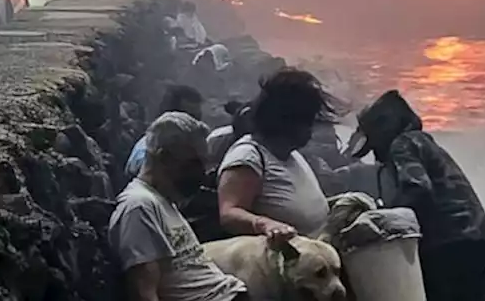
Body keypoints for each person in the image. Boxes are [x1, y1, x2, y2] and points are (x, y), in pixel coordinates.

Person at [345, 90, 485, 301]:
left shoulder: (402, 144)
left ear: (385, 129)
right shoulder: (424, 143)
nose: (376, 154)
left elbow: (419, 190)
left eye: (374, 144)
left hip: (449, 245)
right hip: (477, 238)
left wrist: (383, 219)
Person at [109, 112, 248, 301]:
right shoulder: (139, 206)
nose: (201, 172)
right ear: (164, 157)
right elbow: (144, 292)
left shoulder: (164, 202)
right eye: (193, 163)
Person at [217, 68, 337, 240]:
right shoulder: (248, 156)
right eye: (307, 122)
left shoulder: (290, 153)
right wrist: (265, 224)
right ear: (286, 121)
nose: (311, 130)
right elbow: (229, 213)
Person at [125, 85, 204, 178]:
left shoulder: (187, 152)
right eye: (190, 117)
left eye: (198, 118)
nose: (197, 124)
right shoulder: (145, 154)